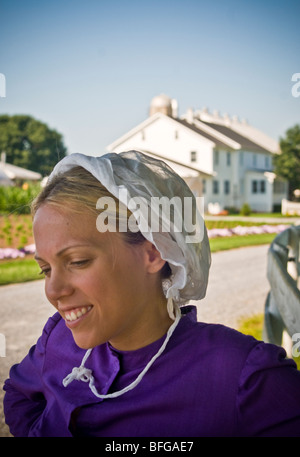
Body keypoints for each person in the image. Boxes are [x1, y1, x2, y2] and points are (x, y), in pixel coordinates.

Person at [3, 150, 300, 437]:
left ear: (155, 252)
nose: (54, 290)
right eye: (45, 269)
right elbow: (19, 393)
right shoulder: (56, 339)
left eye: (78, 261)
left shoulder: (244, 377)